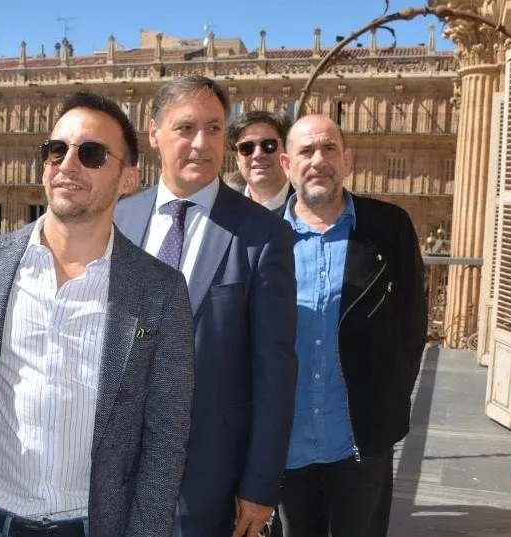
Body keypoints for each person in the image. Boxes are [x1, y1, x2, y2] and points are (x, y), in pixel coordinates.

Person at [0, 91, 195, 537]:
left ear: (128, 178)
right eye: (57, 150)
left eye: (91, 154)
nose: (67, 164)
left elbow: (165, 439)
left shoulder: (160, 291)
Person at [115, 76, 298, 537]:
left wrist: (259, 486)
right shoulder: (120, 218)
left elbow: (275, 373)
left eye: (215, 129)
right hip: (113, 478)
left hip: (208, 485)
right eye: (186, 128)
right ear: (154, 134)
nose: (201, 143)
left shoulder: (263, 235)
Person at [275, 114, 427, 537]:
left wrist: (388, 401)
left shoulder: (389, 227)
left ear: (347, 161)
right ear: (287, 165)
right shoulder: (264, 236)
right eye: (306, 151)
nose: (318, 160)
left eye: (329, 149)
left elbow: (412, 326)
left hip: (360, 436)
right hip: (286, 440)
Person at [227, 110, 294, 216]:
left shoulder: (309, 207)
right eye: (247, 147)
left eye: (269, 145)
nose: (258, 154)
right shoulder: (224, 209)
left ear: (286, 151)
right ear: (237, 159)